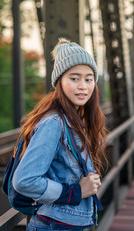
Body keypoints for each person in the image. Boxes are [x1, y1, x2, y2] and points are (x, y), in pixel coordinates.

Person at [13, 38, 108, 231]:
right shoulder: (54, 123)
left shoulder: (73, 119)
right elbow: (24, 181)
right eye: (74, 78)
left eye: (89, 79)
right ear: (60, 82)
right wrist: (76, 191)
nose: (83, 86)